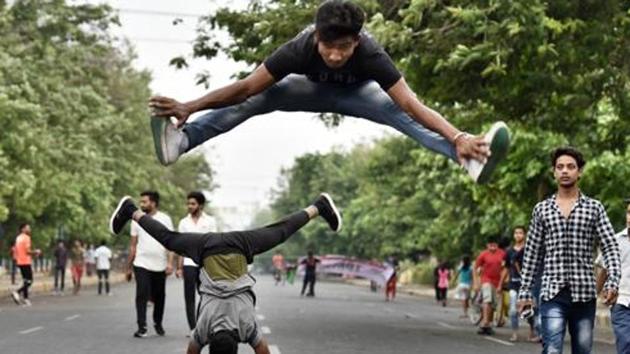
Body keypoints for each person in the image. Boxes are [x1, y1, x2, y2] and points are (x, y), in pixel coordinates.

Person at [148, 0, 510, 185]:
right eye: (329, 47)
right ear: (317, 37)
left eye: (345, 48)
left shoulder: (372, 55)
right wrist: (189, 105)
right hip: (304, 90)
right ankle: (182, 141)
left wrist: (457, 134)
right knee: (259, 97)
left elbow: (411, 104)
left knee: (401, 115)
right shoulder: (298, 48)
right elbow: (244, 87)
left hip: (358, 95)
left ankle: (468, 157)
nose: (336, 56)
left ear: (356, 42)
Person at [109, 192, 341, 354]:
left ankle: (319, 206)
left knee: (280, 231)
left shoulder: (247, 327)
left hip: (240, 244)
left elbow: (262, 349)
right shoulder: (203, 330)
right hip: (208, 245)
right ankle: (131, 210)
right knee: (168, 238)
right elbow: (192, 349)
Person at [518, 147, 621, 354]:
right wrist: (525, 292)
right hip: (552, 292)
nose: (565, 171)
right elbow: (532, 254)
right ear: (554, 172)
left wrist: (612, 281)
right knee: (553, 349)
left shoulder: (594, 208)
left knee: (582, 350)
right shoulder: (542, 210)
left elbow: (610, 246)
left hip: (584, 294)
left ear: (579, 172)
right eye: (560, 167)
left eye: (571, 167)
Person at [125, 190, 174, 338]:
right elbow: (133, 245)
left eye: (144, 202)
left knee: (159, 297)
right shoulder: (136, 219)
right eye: (141, 202)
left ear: (153, 203)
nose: (141, 204)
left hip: (160, 264)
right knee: (141, 294)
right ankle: (142, 327)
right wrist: (128, 267)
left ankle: (157, 323)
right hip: (141, 263)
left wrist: (170, 263)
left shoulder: (165, 219)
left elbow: (170, 243)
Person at [177, 191, 217, 333]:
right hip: (188, 263)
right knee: (189, 297)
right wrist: (179, 267)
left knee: (206, 295)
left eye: (192, 204)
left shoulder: (210, 221)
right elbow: (180, 246)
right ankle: (193, 328)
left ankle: (203, 324)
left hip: (204, 264)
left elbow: (213, 244)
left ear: (200, 205)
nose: (189, 206)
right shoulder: (183, 222)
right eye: (188, 203)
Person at [596, 200, 630, 354]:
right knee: (625, 342)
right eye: (629, 212)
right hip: (621, 300)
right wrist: (593, 295)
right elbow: (603, 269)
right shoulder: (614, 241)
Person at [500, 226, 536, 342]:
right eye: (516, 233)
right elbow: (505, 269)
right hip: (513, 285)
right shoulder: (509, 251)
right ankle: (515, 333)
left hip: (527, 285)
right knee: (513, 310)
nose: (518, 235)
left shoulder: (530, 250)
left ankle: (532, 332)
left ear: (524, 235)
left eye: (520, 233)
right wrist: (500, 284)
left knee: (528, 310)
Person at [473, 237, 505, 335]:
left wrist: (501, 283)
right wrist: (476, 282)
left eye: (494, 244)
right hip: (486, 280)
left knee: (493, 304)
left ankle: (487, 324)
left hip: (497, 282)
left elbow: (505, 268)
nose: (492, 246)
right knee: (487, 300)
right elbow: (475, 268)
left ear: (497, 245)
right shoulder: (483, 254)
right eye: (490, 244)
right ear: (487, 245)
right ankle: (485, 322)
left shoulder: (502, 254)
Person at [11, 224, 39, 306]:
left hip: (20, 261)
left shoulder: (18, 238)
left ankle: (26, 299)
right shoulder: (26, 238)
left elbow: (17, 250)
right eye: (28, 228)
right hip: (25, 262)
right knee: (30, 281)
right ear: (23, 229)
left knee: (25, 280)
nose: (29, 229)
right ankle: (17, 292)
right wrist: (36, 252)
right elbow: (27, 251)